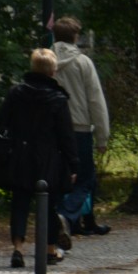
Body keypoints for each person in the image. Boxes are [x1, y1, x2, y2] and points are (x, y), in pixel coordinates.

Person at [0, 48, 79, 268]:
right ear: (52, 70)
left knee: (20, 203)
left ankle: (17, 248)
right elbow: (66, 134)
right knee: (48, 204)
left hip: (21, 155)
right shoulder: (57, 98)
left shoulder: (16, 93)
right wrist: (73, 164)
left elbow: (2, 123)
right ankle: (49, 249)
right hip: (49, 157)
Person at [51, 16, 112, 237]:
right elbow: (95, 100)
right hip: (79, 128)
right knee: (86, 178)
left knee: (58, 175)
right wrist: (102, 136)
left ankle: (84, 221)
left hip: (52, 129)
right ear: (75, 36)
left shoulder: (46, 59)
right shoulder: (83, 62)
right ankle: (66, 217)